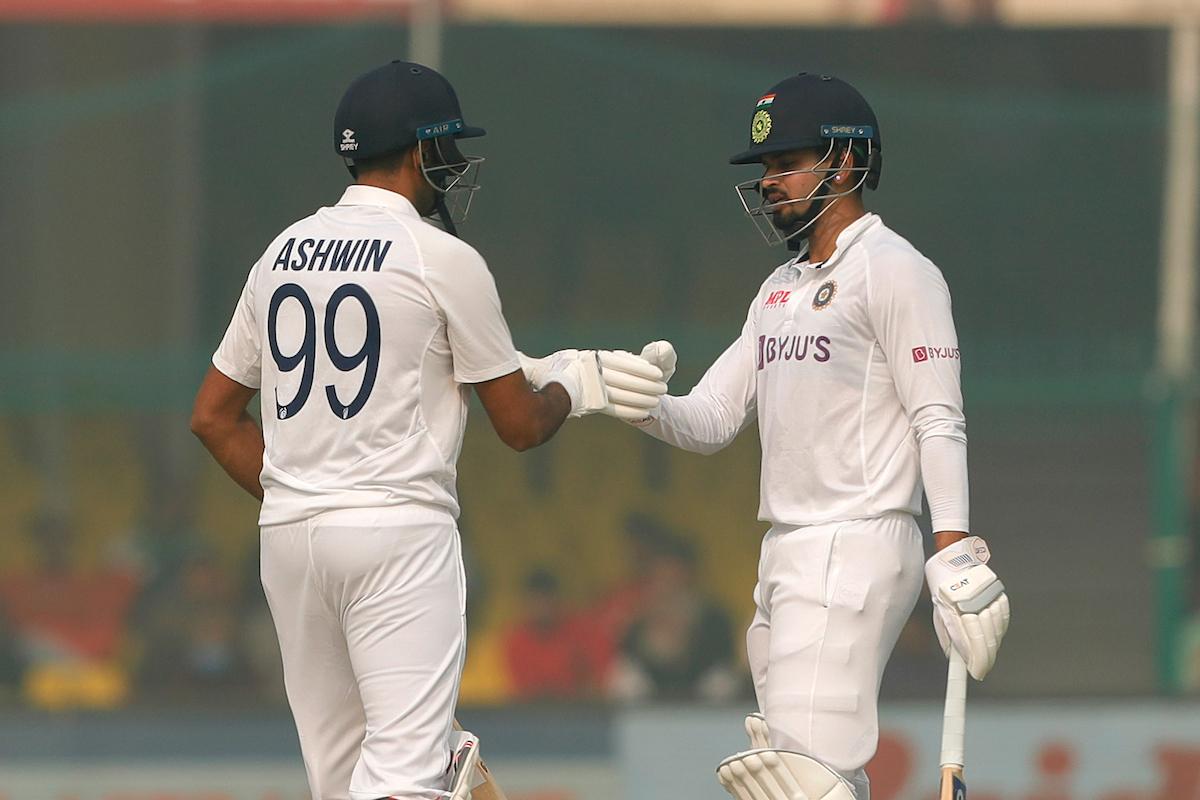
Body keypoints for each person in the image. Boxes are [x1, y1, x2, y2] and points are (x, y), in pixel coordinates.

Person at [190, 60, 659, 800]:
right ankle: (439, 764)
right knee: (403, 779)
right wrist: (576, 384)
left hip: (289, 533)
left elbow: (212, 417)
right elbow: (519, 426)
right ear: (418, 152)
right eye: (445, 150)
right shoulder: (441, 257)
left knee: (339, 778)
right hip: (396, 532)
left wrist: (305, 489)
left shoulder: (279, 254)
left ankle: (439, 760)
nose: (452, 166)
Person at [602, 73, 1010, 800]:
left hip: (855, 538)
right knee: (807, 779)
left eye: (786, 164)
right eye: (765, 169)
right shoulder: (778, 289)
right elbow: (711, 420)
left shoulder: (897, 272)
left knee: (805, 781)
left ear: (845, 164)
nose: (769, 183)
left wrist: (955, 551)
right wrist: (637, 402)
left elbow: (937, 416)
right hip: (786, 549)